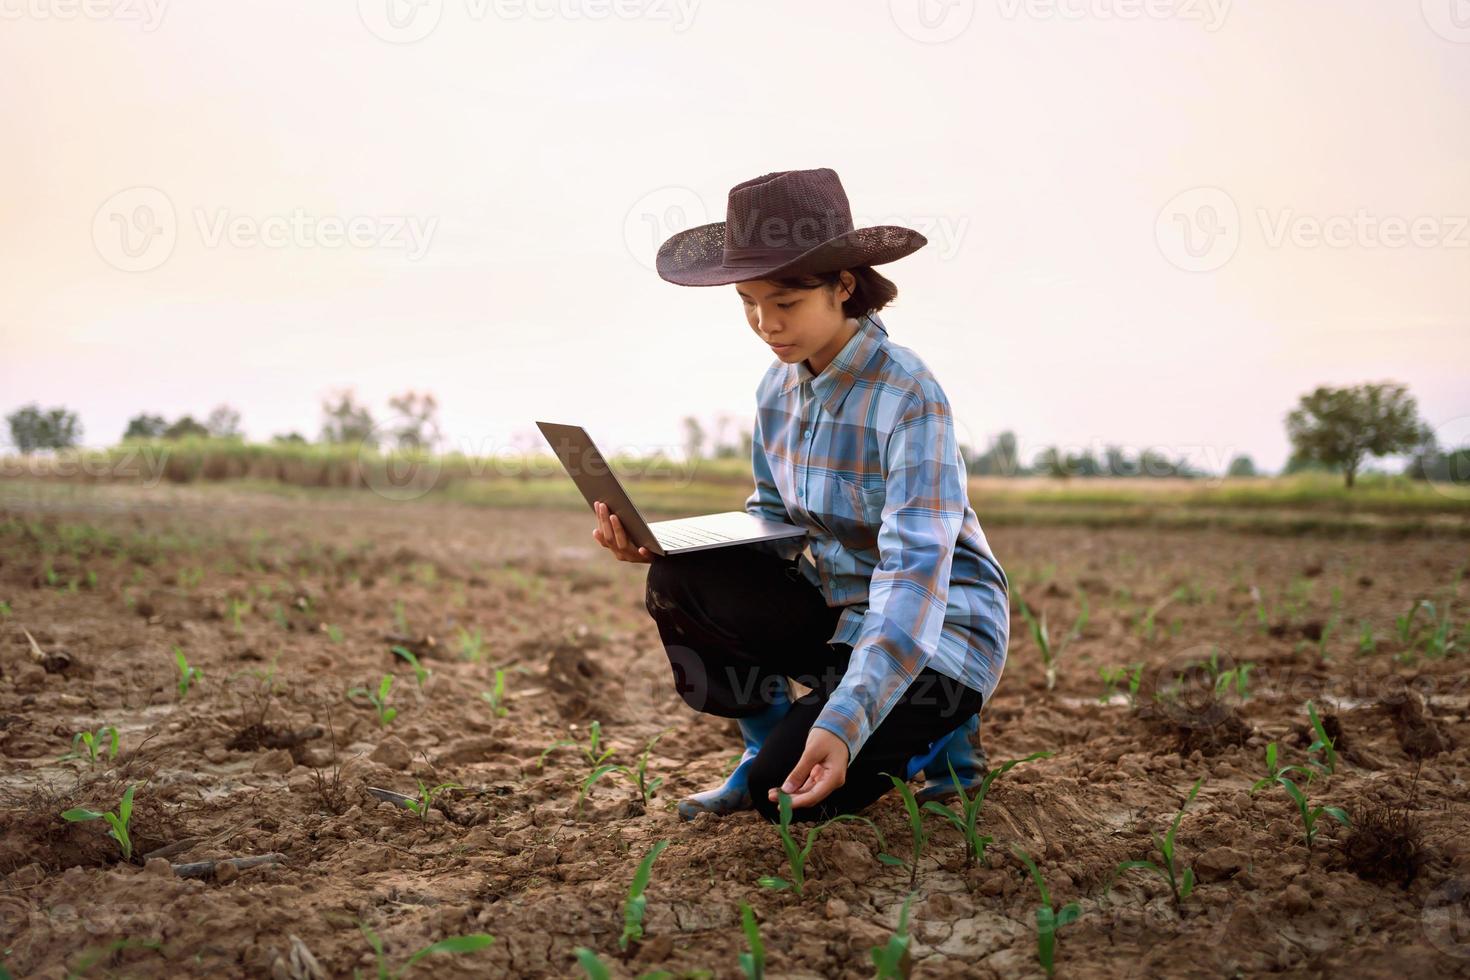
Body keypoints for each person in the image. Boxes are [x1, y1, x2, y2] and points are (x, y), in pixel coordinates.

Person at [592, 167, 1009, 824]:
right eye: (748, 303)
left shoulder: (908, 394)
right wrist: (674, 546)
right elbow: (773, 518)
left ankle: (948, 745)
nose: (765, 323)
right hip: (842, 619)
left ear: (844, 285)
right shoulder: (776, 390)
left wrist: (844, 722)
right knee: (684, 578)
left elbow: (914, 574)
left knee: (782, 802)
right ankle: (764, 744)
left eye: (784, 303)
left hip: (934, 629)